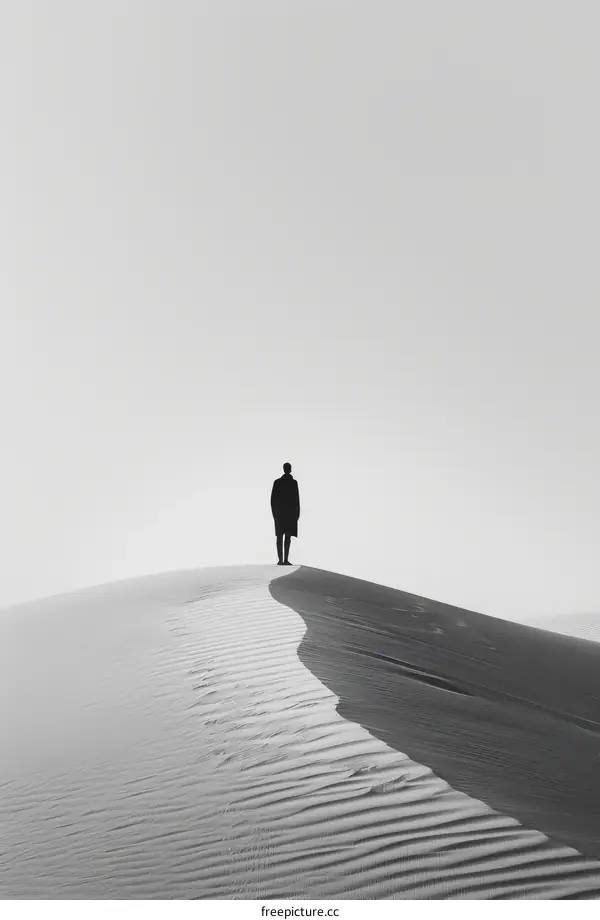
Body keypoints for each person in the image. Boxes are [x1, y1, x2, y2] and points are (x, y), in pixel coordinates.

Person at [270, 462, 300, 565]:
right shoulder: (293, 483)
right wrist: (297, 514)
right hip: (289, 514)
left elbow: (273, 500)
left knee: (281, 537)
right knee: (286, 537)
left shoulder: (278, 482)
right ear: (290, 469)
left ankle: (281, 559)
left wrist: (275, 514)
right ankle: (284, 559)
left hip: (280, 514)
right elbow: (296, 501)